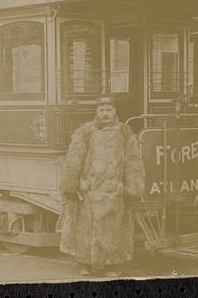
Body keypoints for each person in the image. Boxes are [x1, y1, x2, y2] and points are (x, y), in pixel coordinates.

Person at [59, 95, 145, 277]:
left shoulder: (125, 132)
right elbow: (74, 158)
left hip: (114, 192)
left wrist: (132, 187)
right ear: (96, 112)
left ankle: (111, 265)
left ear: (114, 111)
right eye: (102, 110)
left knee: (113, 229)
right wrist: (72, 184)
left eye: (109, 110)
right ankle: (84, 263)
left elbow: (133, 162)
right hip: (89, 189)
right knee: (85, 227)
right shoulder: (85, 132)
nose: (105, 114)